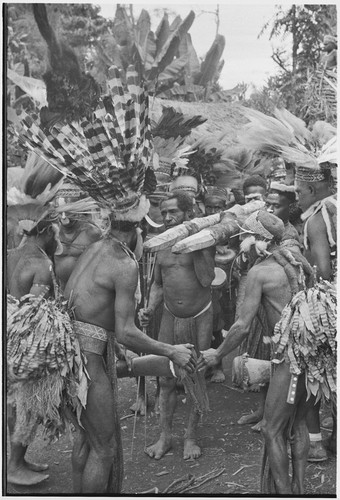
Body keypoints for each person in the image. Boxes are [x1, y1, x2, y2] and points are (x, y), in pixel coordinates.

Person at [19, 60, 197, 493]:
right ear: (137, 222)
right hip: (87, 362)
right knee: (105, 449)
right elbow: (125, 331)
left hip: (71, 355)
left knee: (86, 441)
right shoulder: (123, 263)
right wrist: (170, 349)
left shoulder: (93, 245)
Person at [198, 209, 324, 494]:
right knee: (298, 422)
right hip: (312, 359)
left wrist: (217, 354)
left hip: (290, 363)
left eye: (246, 238)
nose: (241, 244)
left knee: (271, 429)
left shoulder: (261, 272)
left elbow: (242, 326)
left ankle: (284, 493)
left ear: (258, 240)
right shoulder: (297, 261)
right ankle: (299, 488)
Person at [139, 190, 215, 460]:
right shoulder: (160, 245)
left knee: (195, 376)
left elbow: (207, 280)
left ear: (188, 213)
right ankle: (164, 437)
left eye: (174, 212)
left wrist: (193, 244)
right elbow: (159, 284)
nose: (168, 218)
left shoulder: (205, 241)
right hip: (170, 316)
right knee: (165, 379)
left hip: (199, 317)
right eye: (165, 213)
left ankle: (191, 438)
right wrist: (149, 307)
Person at [7, 194, 61, 486]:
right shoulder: (41, 263)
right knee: (27, 404)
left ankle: (18, 460)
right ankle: (14, 466)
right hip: (25, 338)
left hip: (8, 331)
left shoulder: (11, 253)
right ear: (46, 230)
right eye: (55, 230)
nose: (57, 235)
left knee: (14, 402)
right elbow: (36, 310)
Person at [295, 164, 337, 461]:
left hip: (328, 304)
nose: (296, 197)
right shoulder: (334, 207)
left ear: (312, 189)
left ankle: (316, 443)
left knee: (310, 371)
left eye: (298, 191)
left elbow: (322, 269)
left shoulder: (316, 221)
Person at [54, 183, 102, 290]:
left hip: (84, 295)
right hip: (58, 293)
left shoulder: (92, 233)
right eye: (60, 212)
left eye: (69, 212)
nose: (64, 217)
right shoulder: (53, 232)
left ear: (79, 211)